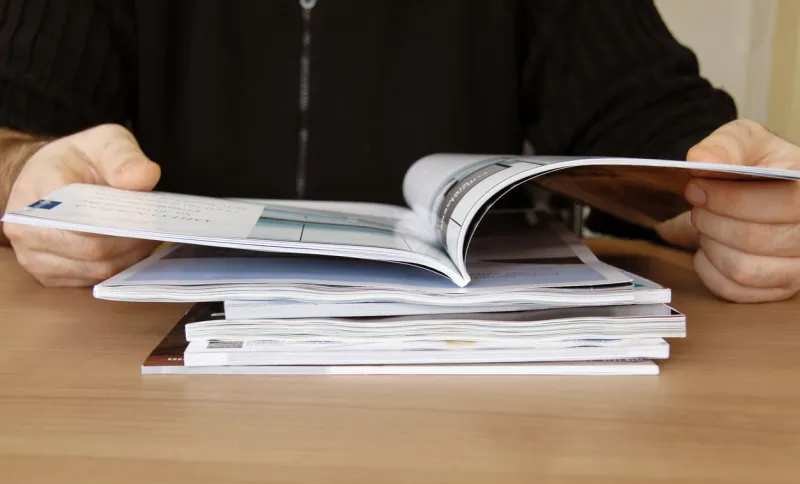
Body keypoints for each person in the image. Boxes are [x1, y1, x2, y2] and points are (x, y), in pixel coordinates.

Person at [0, 1, 798, 303]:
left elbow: (656, 121)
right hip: (142, 373)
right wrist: (26, 177)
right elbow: (15, 126)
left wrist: (733, 197)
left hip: (472, 387)